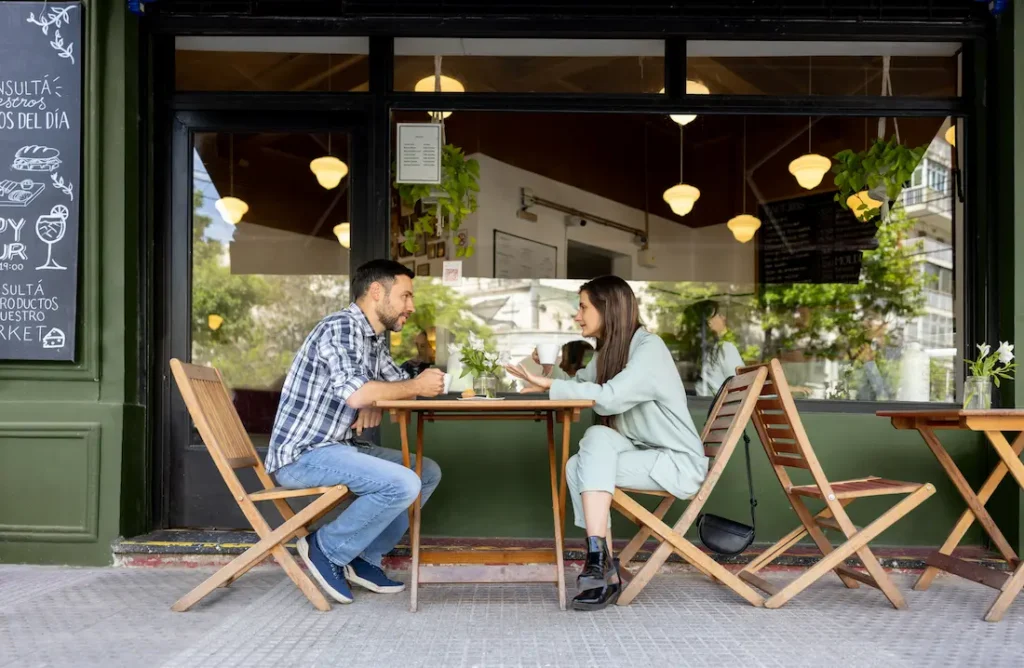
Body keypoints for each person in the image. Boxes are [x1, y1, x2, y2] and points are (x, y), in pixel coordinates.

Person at [506, 276, 706, 611]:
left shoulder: (649, 349)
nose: (577, 315)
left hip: (675, 464)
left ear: (607, 308)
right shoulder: (609, 354)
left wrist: (549, 385)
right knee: (590, 446)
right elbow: (580, 385)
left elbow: (608, 399)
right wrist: (546, 373)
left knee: (583, 464)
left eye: (583, 307)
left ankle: (600, 565)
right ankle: (601, 562)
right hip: (645, 456)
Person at [265, 259, 445, 605]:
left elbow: (391, 384)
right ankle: (326, 547)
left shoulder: (372, 339)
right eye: (406, 296)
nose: (411, 306)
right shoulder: (341, 328)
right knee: (403, 482)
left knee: (425, 472)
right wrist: (382, 394)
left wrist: (381, 396)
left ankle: (363, 557)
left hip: (339, 447)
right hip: (305, 453)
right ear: (377, 291)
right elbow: (359, 392)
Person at [689, 300, 746, 397]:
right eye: (719, 315)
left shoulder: (694, 355)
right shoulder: (724, 350)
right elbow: (743, 389)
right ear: (709, 322)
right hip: (725, 410)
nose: (724, 318)